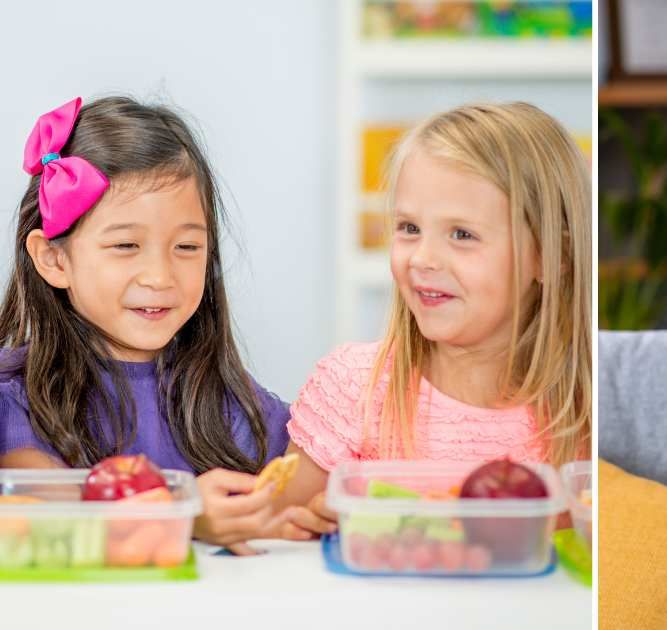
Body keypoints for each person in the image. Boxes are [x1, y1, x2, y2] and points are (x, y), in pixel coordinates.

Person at [272, 102, 591, 539]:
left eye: (462, 235)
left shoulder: (585, 413)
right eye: (408, 228)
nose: (422, 258)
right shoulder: (353, 389)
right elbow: (267, 532)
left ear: (552, 257)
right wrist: (308, 525)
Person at [0, 96, 291, 553]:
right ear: (54, 259)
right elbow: (49, 512)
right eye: (126, 245)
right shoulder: (16, 399)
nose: (160, 276)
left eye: (187, 248)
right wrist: (185, 512)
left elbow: (303, 485)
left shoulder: (231, 400)